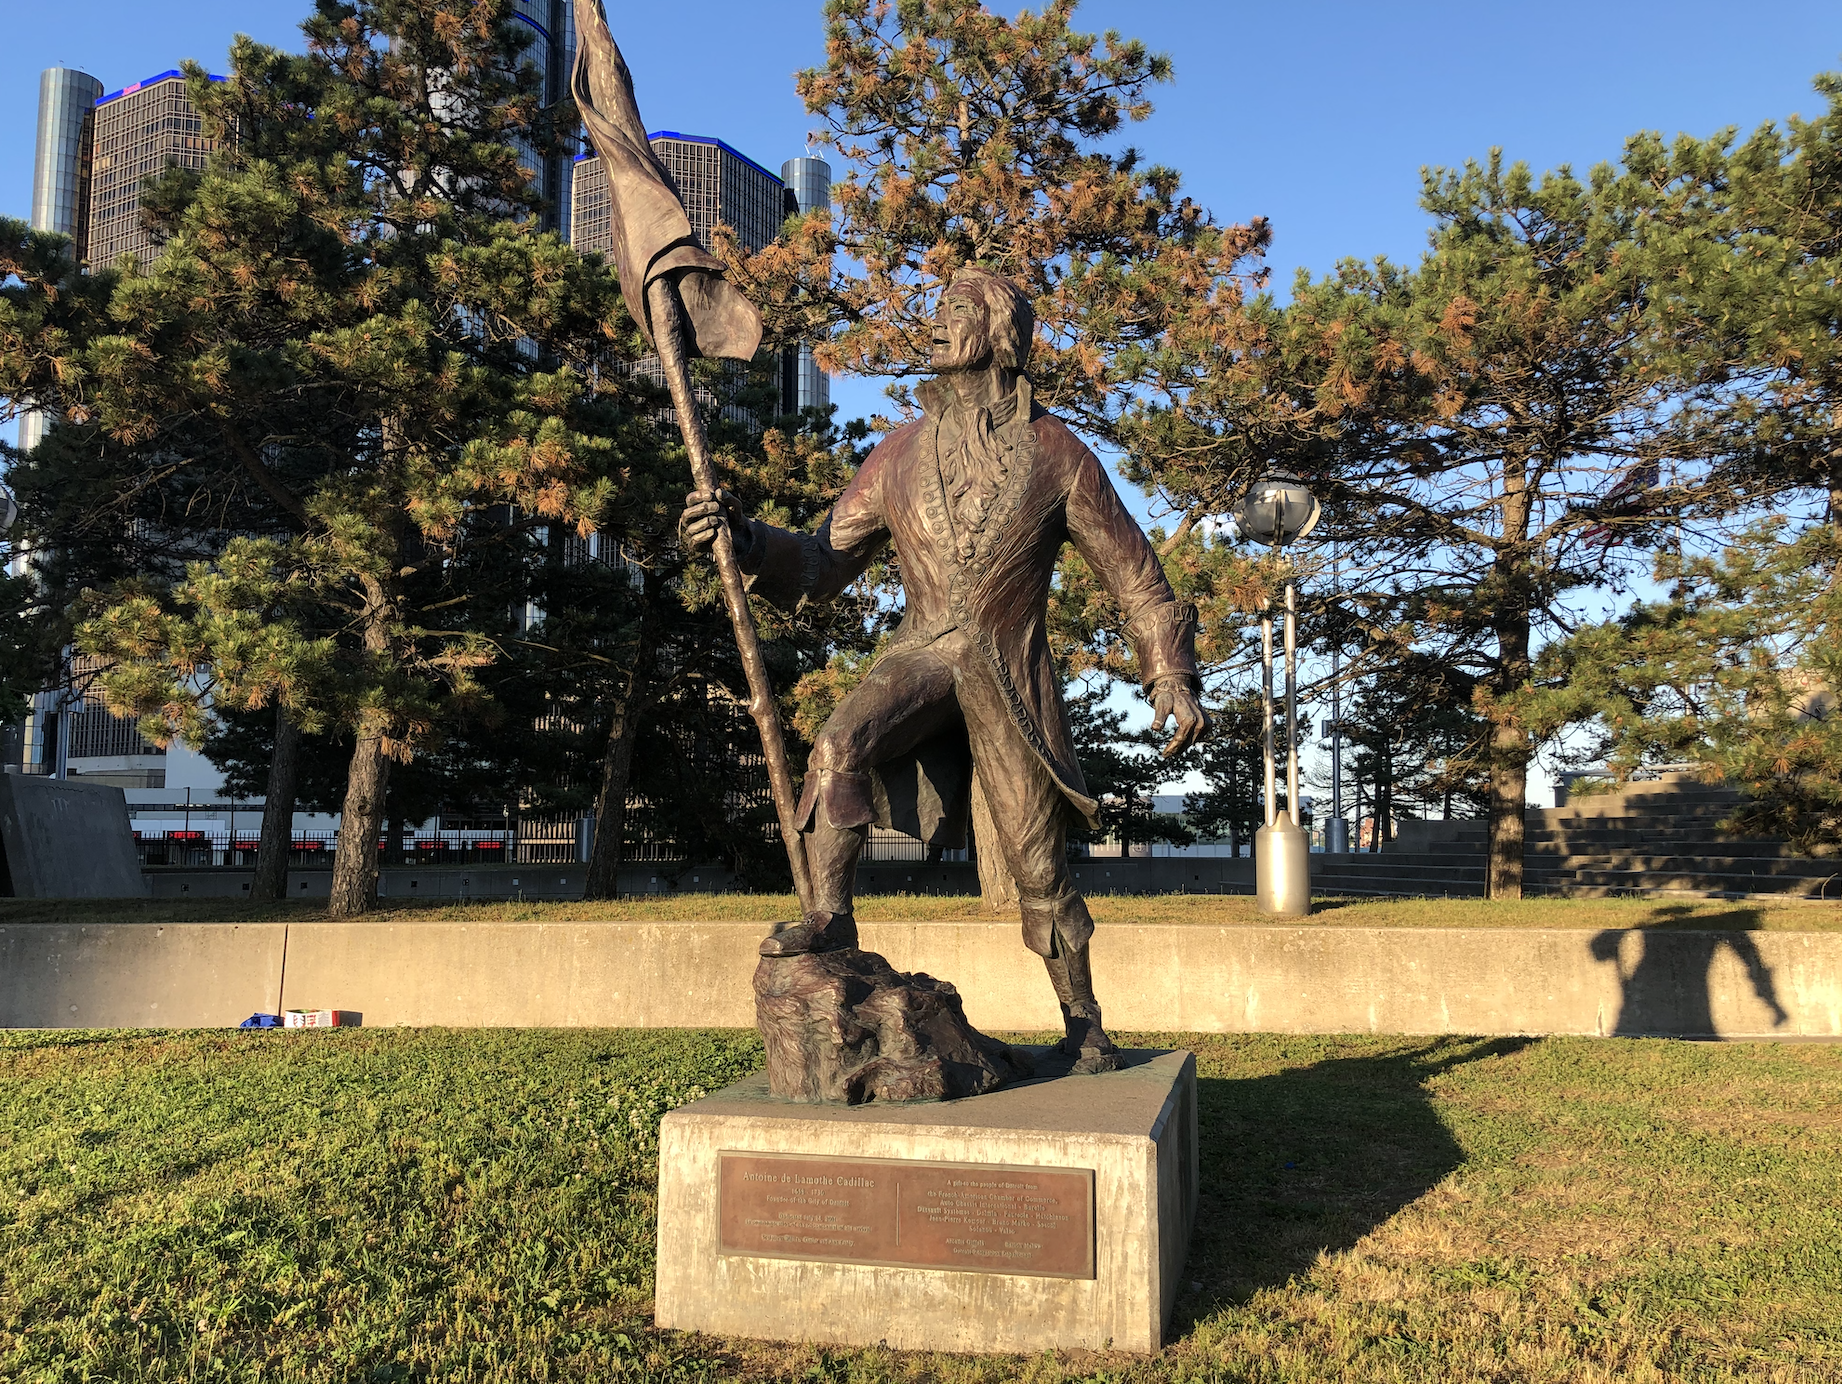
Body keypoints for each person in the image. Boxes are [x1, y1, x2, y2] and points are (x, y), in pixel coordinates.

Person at [681, 266, 1209, 1072]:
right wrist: (748, 540)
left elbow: (1135, 575)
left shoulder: (1058, 454)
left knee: (1039, 866)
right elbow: (824, 562)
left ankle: (1086, 1026)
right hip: (923, 654)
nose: (935, 324)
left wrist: (1169, 674)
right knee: (835, 746)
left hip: (1007, 674)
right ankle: (831, 920)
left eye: (954, 310)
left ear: (999, 334)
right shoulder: (898, 452)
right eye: (935, 311)